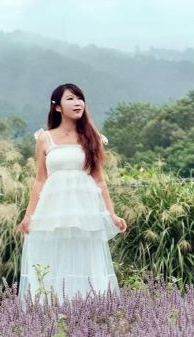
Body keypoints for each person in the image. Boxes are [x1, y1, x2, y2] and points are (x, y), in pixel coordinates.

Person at [17, 83, 127, 307]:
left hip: (85, 211)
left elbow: (99, 179)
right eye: (70, 99)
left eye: (80, 98)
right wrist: (29, 216)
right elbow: (40, 179)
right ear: (57, 107)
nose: (77, 103)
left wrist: (111, 214)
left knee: (87, 262)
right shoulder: (45, 139)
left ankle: (91, 314)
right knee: (52, 262)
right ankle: (51, 314)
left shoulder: (91, 137)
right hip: (52, 211)